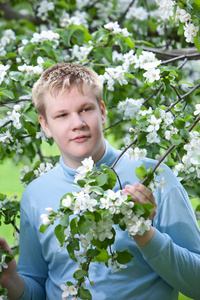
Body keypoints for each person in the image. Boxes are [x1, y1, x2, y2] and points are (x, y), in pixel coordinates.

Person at [0, 62, 200, 300]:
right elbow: (38, 288)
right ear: (45, 125)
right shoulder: (36, 195)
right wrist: (11, 282)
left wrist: (145, 235)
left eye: (85, 109)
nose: (78, 124)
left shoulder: (153, 177)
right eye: (62, 115)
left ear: (102, 111)